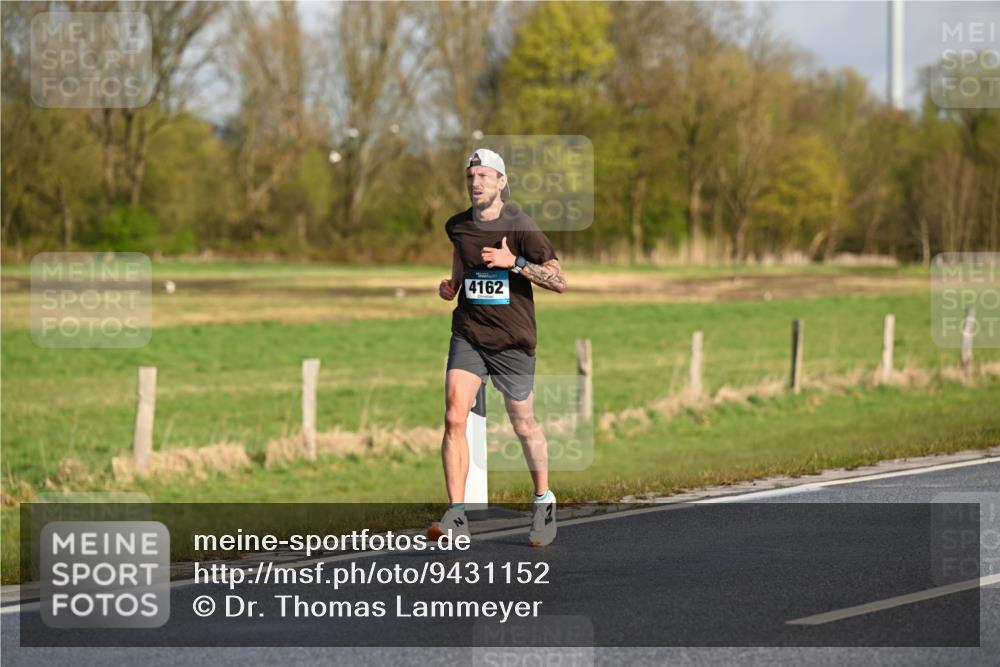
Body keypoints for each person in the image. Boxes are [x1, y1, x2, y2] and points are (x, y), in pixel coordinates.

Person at [429, 148, 567, 547]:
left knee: (523, 423)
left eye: (484, 177)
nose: (475, 183)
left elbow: (559, 280)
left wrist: (514, 262)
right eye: (470, 177)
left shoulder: (521, 225)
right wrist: (453, 284)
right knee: (454, 415)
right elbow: (462, 253)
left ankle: (543, 501)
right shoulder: (457, 225)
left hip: (513, 340)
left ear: (501, 182)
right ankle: (456, 515)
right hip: (469, 333)